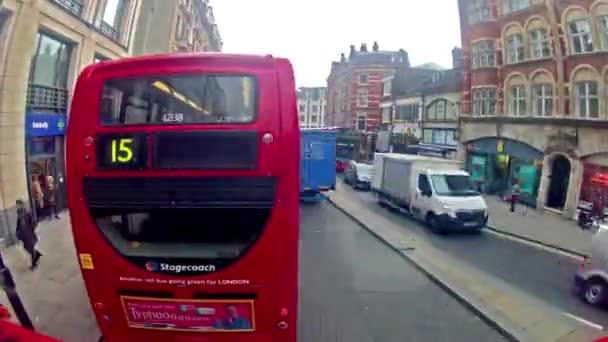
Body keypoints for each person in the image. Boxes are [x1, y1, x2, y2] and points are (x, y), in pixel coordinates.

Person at [15, 200, 42, 270]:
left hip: (29, 233)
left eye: (18, 205)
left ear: (22, 205)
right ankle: (37, 255)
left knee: (31, 248)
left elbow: (33, 221)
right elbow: (18, 224)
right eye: (17, 205)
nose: (17, 206)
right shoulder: (19, 213)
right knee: (27, 248)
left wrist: (33, 229)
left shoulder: (26, 212)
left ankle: (35, 265)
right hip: (24, 235)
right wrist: (18, 233)